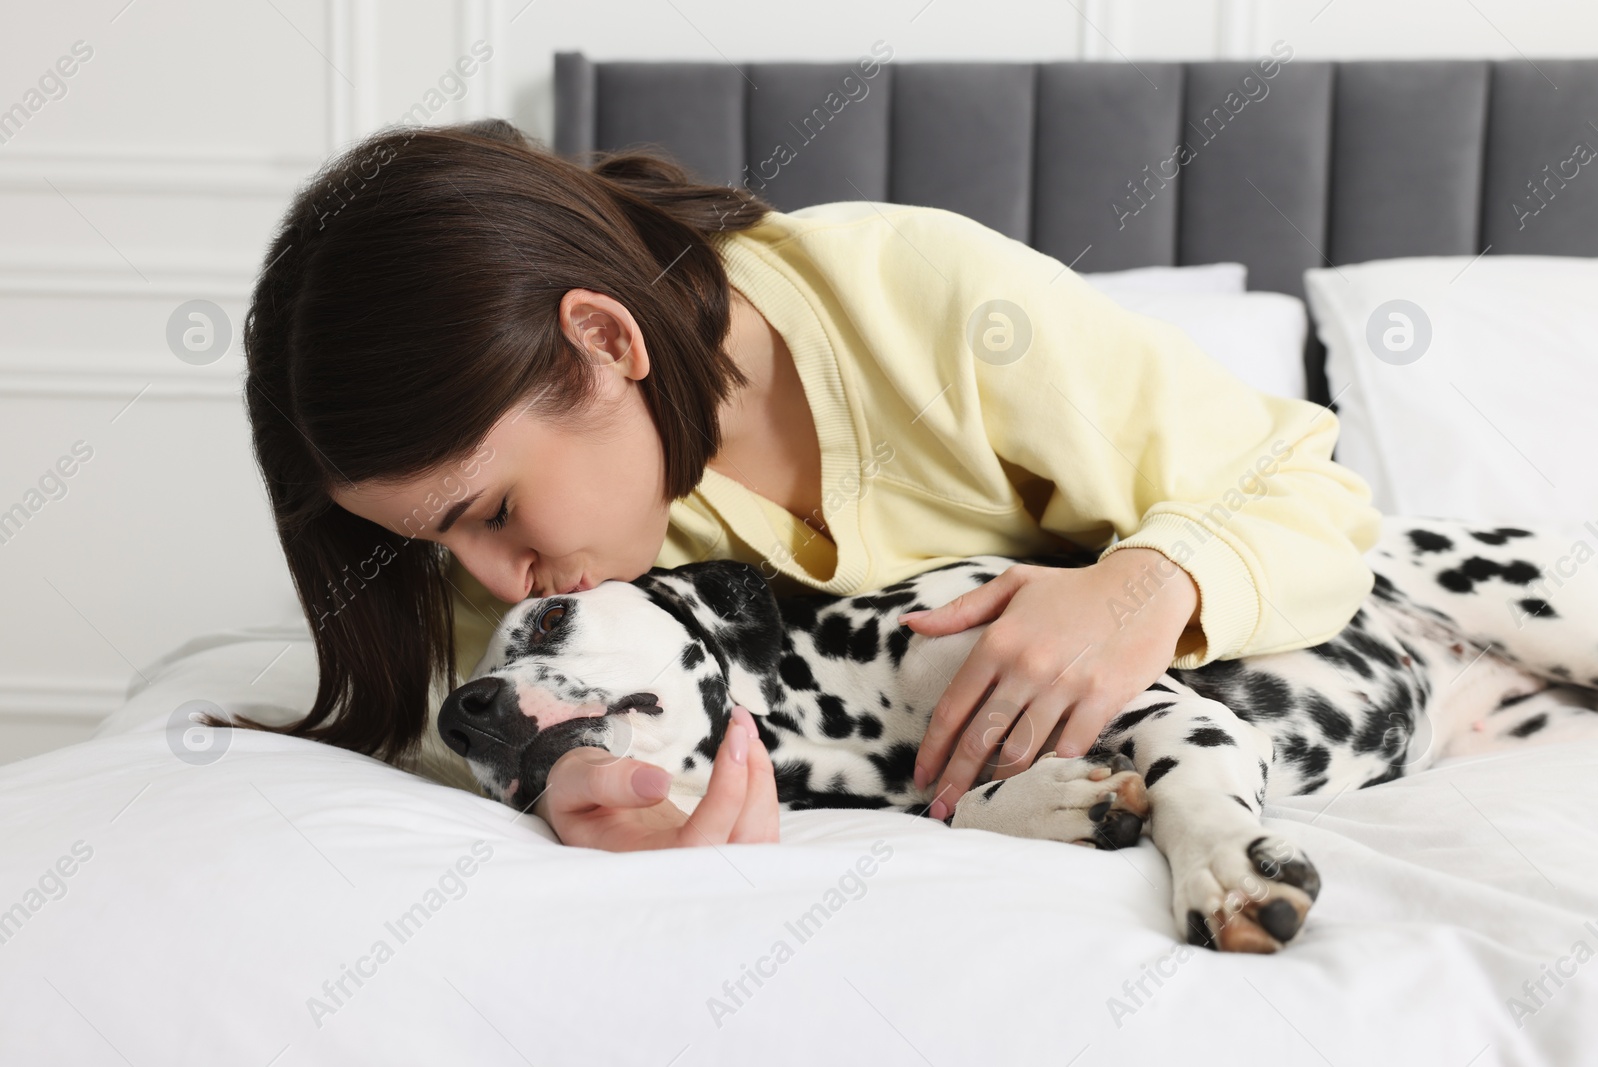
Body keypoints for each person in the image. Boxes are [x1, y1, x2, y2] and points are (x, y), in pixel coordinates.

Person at [232, 117, 1382, 852]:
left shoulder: (923, 299)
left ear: (602, 342)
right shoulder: (536, 579)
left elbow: (1302, 486)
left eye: (490, 509)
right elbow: (483, 717)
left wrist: (1141, 587)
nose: (497, 582)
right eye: (439, 545)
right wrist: (578, 784)